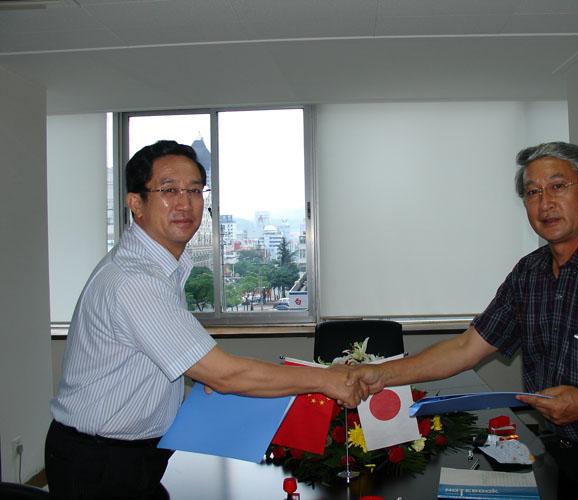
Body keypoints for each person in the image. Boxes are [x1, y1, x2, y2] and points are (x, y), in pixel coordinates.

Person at [45, 140, 364, 500]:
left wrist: (201, 370)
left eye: (195, 190)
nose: (185, 203)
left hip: (132, 454)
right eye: (169, 190)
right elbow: (225, 374)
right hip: (99, 462)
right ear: (136, 203)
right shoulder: (136, 280)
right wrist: (325, 379)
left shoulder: (163, 268)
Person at [348, 142, 578, 500]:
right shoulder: (529, 273)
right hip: (564, 455)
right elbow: (466, 347)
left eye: (558, 187)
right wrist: (380, 374)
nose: (544, 203)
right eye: (532, 192)